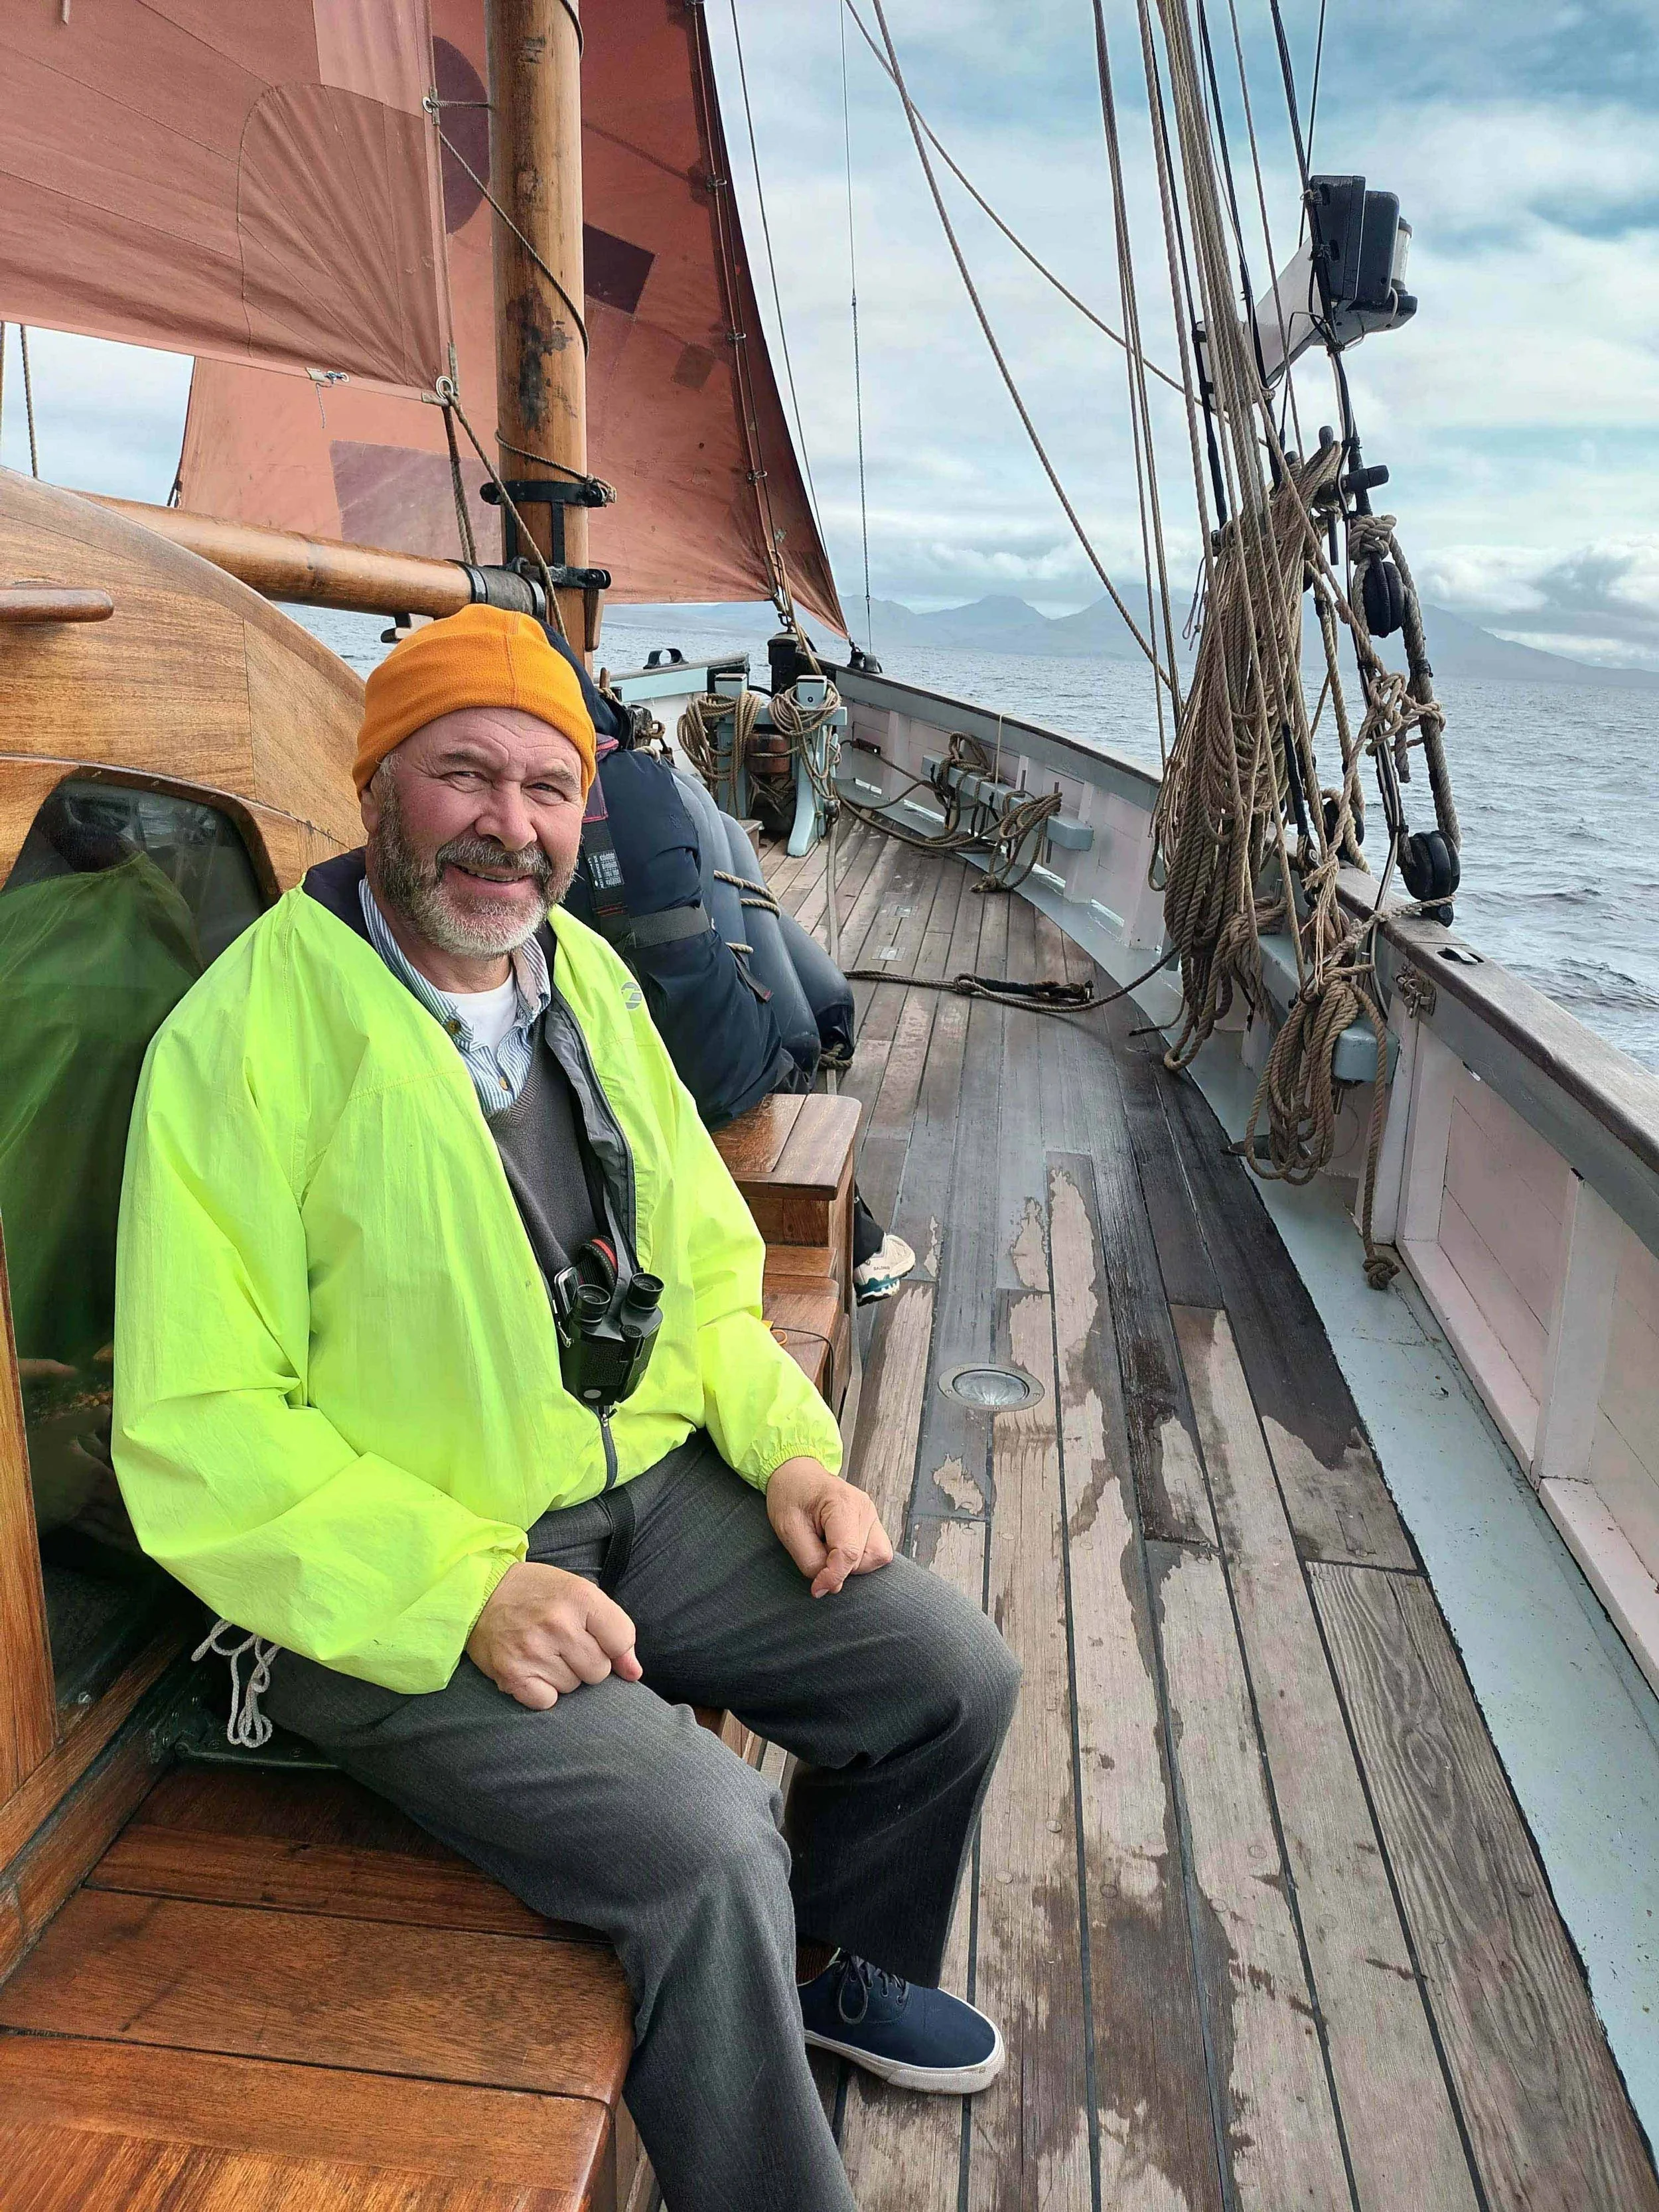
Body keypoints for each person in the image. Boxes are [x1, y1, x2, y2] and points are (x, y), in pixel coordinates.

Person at [112, 607, 1019, 2212]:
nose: (508, 826)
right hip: (387, 1582)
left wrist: (790, 1447)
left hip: (639, 1498)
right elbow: (200, 1419)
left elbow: (703, 1259)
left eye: (547, 788)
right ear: (376, 783)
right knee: (708, 1835)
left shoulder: (583, 975)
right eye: (463, 774)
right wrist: (461, 1586)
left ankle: (831, 1969)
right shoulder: (243, 1039)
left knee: (947, 1673)